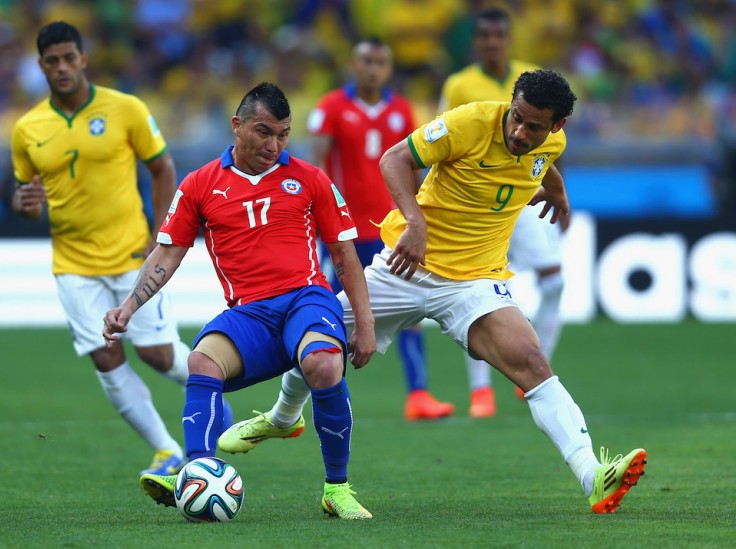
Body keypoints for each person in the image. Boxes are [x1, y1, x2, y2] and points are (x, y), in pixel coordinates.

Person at [220, 70, 647, 514]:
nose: (520, 132)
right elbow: (393, 159)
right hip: (406, 267)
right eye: (517, 118)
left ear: (556, 126)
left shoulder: (551, 143)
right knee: (319, 338)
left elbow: (543, 163)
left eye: (534, 127)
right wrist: (415, 222)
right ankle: (283, 417)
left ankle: (592, 476)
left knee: (533, 363)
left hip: (474, 282)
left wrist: (558, 193)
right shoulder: (469, 122)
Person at [102, 82, 378, 520]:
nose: (274, 145)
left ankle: (337, 489)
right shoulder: (200, 184)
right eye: (264, 132)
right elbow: (168, 253)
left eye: (283, 135)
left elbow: (344, 256)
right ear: (237, 125)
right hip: (250, 314)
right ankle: (196, 471)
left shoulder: (310, 179)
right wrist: (128, 307)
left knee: (324, 365)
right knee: (201, 362)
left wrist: (365, 325)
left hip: (306, 299)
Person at [10, 21, 199, 477]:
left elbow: (162, 166)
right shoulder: (27, 129)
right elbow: (26, 198)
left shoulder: (125, 108)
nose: (61, 68)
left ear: (83, 59)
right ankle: (167, 451)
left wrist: (162, 232)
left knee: (157, 353)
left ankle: (209, 391)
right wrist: (24, 204)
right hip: (72, 264)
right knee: (105, 356)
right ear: (41, 67)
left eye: (68, 58)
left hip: (133, 254)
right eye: (52, 61)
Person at [308, 37, 453, 421]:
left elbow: (414, 165)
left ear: (389, 68)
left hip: (390, 229)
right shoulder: (330, 107)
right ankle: (322, 392)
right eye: (367, 61)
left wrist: (419, 216)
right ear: (353, 65)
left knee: (410, 306)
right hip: (342, 232)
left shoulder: (401, 110)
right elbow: (316, 164)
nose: (373, 69)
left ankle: (418, 394)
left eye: (380, 62)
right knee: (332, 311)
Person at [437, 7, 567, 417]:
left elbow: (547, 149)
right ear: (476, 42)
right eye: (484, 36)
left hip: (521, 198)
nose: (492, 42)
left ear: (509, 39)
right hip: (472, 204)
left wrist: (558, 192)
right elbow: (439, 139)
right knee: (472, 290)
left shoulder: (531, 80)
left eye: (499, 35)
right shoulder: (459, 85)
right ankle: (481, 392)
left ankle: (533, 369)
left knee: (554, 280)